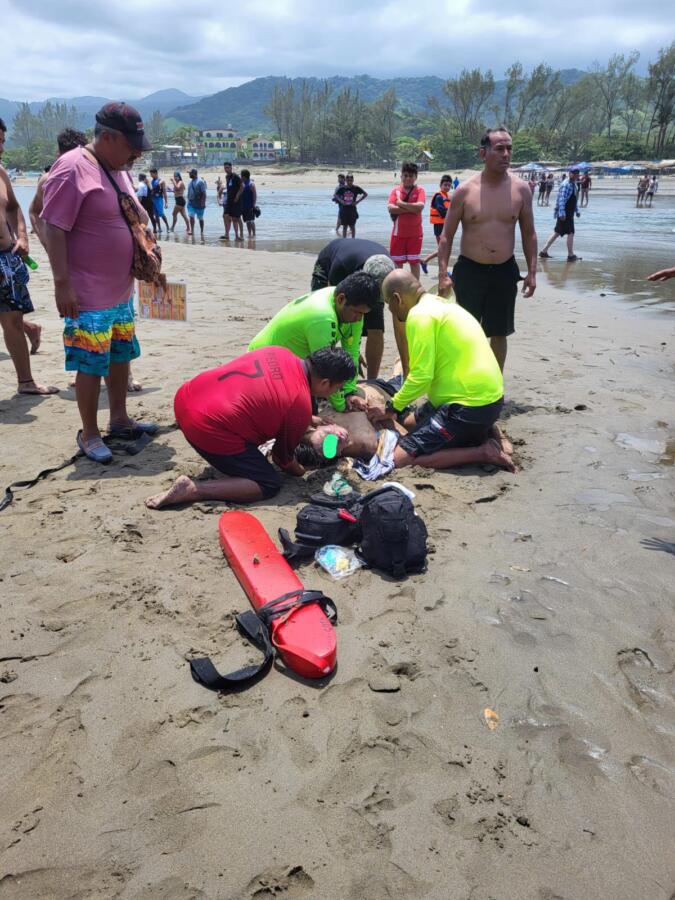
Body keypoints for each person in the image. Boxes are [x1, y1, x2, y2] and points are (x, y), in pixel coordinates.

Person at [41, 101, 157, 462]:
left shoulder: (117, 167)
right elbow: (53, 226)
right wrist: (63, 284)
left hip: (120, 290)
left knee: (121, 355)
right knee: (90, 363)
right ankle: (89, 433)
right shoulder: (72, 167)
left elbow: (133, 220)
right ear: (107, 137)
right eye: (131, 146)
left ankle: (119, 418)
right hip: (87, 293)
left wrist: (152, 262)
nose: (137, 154)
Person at [145, 346, 356, 509]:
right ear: (326, 383)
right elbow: (282, 460)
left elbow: (267, 393)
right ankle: (194, 489)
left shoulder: (279, 352)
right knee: (269, 483)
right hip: (204, 426)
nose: (333, 394)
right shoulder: (299, 404)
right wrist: (302, 471)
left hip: (187, 397)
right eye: (337, 389)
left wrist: (307, 421)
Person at [364, 270, 514, 472]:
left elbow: (422, 377)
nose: (391, 311)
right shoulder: (443, 305)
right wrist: (397, 409)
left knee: (397, 459)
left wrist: (391, 407)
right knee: (408, 420)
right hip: (489, 400)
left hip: (466, 407)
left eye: (389, 305)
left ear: (397, 299)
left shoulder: (418, 316)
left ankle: (484, 451)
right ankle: (487, 430)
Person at [437, 127, 537, 372]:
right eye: (500, 148)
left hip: (504, 271)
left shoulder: (521, 189)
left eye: (509, 149)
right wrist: (442, 275)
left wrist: (532, 272)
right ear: (483, 153)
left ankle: (494, 385)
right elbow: (446, 236)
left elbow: (529, 233)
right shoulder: (465, 191)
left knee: (499, 332)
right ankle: (464, 381)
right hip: (470, 271)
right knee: (465, 331)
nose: (506, 154)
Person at [248, 271, 381, 412]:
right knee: (303, 420)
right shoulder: (322, 318)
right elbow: (328, 370)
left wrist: (349, 393)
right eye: (357, 312)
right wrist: (342, 406)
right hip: (265, 366)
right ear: (341, 299)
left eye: (363, 314)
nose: (359, 319)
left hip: (295, 364)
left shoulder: (347, 303)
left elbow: (352, 352)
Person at [0, 117, 58, 396]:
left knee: (10, 318)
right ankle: (31, 328)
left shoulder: (0, 173)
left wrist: (22, 236)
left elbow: (13, 207)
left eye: (1, 141)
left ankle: (25, 382)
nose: (0, 148)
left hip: (5, 258)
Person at [310, 238, 395, 378]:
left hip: (374, 268)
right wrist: (351, 353)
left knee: (377, 328)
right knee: (325, 318)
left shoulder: (393, 274)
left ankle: (372, 379)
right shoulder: (340, 266)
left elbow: (391, 326)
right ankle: (328, 372)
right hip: (330, 263)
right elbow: (337, 311)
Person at [388, 162, 426, 279]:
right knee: (397, 264)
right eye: (406, 175)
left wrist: (401, 204)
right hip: (398, 234)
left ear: (416, 177)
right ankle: (398, 289)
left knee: (414, 263)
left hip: (415, 234)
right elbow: (391, 209)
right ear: (401, 177)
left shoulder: (420, 191)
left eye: (411, 176)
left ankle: (415, 288)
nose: (408, 178)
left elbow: (420, 207)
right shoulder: (395, 191)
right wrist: (411, 209)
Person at [539, 167, 581, 263]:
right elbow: (561, 199)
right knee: (570, 233)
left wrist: (577, 211)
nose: (575, 176)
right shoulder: (566, 184)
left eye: (577, 174)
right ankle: (570, 255)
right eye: (574, 174)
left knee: (557, 232)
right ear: (569, 173)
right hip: (565, 213)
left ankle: (543, 251)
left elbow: (574, 199)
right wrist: (562, 213)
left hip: (569, 213)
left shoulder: (573, 184)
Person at [334, 173, 367, 238]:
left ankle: (353, 240)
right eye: (348, 180)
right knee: (345, 226)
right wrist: (341, 201)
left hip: (352, 209)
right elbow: (335, 195)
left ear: (353, 180)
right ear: (346, 180)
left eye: (351, 180)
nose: (349, 182)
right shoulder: (342, 188)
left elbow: (365, 194)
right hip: (344, 209)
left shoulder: (356, 188)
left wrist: (357, 202)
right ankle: (344, 240)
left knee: (352, 226)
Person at [222, 161, 243, 241]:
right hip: (229, 201)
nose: (226, 169)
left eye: (227, 167)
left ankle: (237, 236)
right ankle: (226, 234)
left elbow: (242, 187)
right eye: (225, 168)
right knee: (225, 216)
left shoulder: (236, 177)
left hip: (236, 201)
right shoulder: (227, 177)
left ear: (231, 168)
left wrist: (237, 197)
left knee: (235, 219)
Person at [187, 168, 207, 238]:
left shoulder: (200, 182)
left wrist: (203, 203)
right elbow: (189, 192)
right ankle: (192, 231)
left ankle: (201, 231)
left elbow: (204, 193)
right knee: (191, 216)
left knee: (200, 218)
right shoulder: (190, 182)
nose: (189, 174)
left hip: (199, 203)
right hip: (191, 203)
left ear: (194, 174)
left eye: (190, 173)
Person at [149, 167, 169, 232]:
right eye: (150, 174)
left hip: (159, 199)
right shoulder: (152, 181)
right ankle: (159, 228)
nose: (151, 175)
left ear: (156, 173)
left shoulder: (161, 181)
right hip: (153, 199)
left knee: (162, 214)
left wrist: (166, 202)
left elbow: (164, 192)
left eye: (152, 174)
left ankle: (167, 227)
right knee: (156, 215)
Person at [240, 168, 257, 238]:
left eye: (241, 176)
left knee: (251, 221)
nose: (241, 177)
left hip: (250, 205)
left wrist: (253, 205)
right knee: (247, 221)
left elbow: (255, 195)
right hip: (243, 206)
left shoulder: (251, 184)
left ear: (244, 176)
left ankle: (254, 234)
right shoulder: (242, 183)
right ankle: (249, 234)